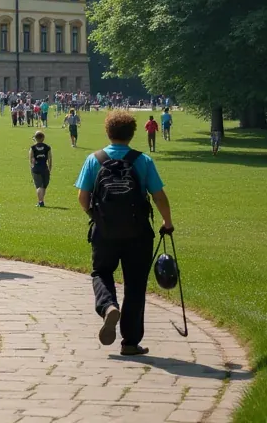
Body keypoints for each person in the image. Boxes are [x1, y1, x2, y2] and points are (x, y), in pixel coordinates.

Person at [75, 110, 174, 356]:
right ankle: (130, 342)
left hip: (104, 231)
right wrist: (167, 221)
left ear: (107, 132)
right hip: (138, 232)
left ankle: (108, 306)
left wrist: (95, 216)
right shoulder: (143, 161)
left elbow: (83, 197)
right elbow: (158, 195)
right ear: (132, 134)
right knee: (135, 285)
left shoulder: (94, 159)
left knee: (101, 272)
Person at [30, 131, 53, 207]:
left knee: (38, 185)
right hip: (44, 168)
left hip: (36, 168)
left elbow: (31, 158)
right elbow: (50, 159)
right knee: (43, 186)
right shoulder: (47, 147)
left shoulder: (33, 148)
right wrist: (49, 168)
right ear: (43, 138)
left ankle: (40, 201)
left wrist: (32, 167)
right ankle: (41, 201)